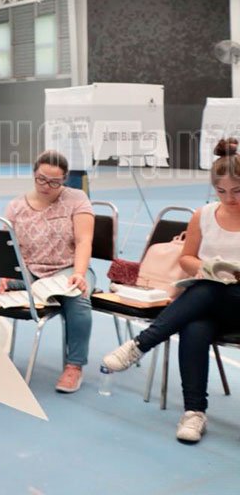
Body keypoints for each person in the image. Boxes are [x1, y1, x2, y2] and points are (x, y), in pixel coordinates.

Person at [102, 138, 240, 444]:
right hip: (211, 302)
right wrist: (205, 267)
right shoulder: (203, 215)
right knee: (195, 325)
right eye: (221, 191)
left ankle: (141, 343)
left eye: (237, 190)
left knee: (207, 290)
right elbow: (187, 259)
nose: (229, 198)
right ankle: (194, 412)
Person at [0, 150, 95, 393]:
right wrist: (4, 271)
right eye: (41, 179)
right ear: (34, 175)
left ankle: (74, 366)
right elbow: (7, 245)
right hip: (29, 271)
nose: (46, 186)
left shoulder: (77, 199)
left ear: (65, 179)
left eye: (54, 182)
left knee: (78, 297)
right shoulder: (16, 206)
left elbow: (84, 240)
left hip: (67, 268)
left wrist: (79, 273)